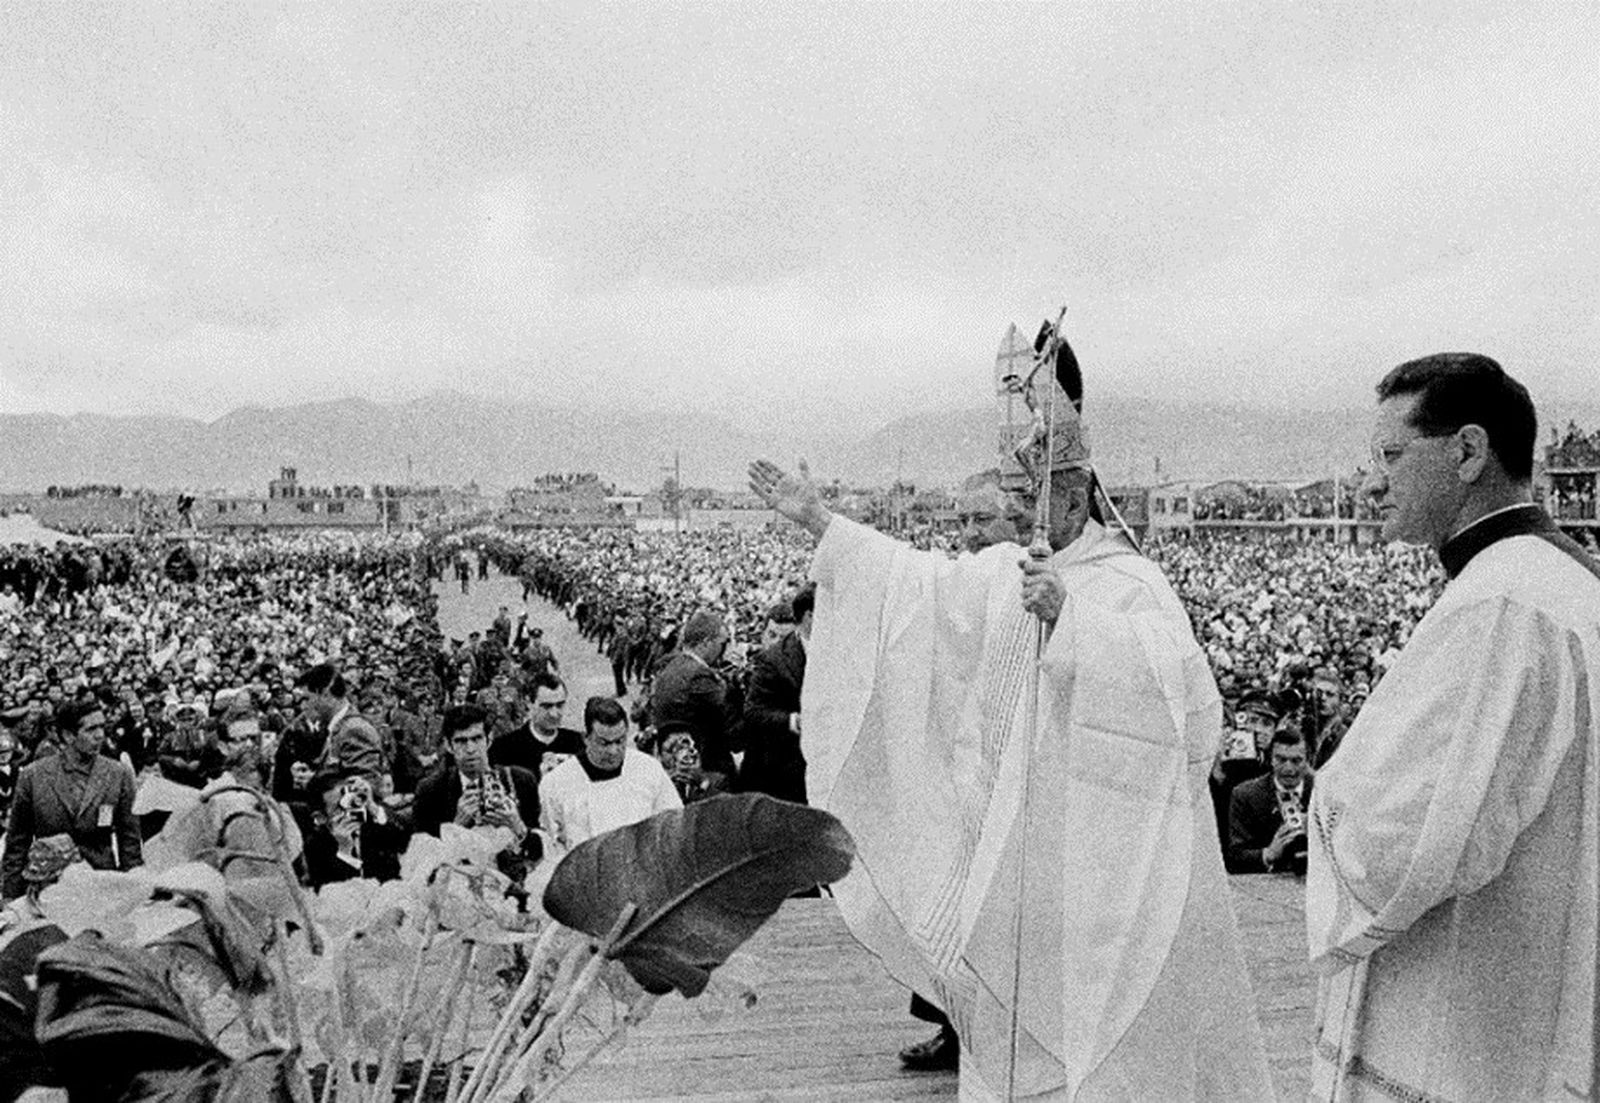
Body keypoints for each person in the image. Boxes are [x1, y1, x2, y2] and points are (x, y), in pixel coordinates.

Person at [747, 323, 1271, 1101]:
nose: (1023, 512)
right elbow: (915, 587)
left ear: (1073, 491)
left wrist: (1073, 622)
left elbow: (1191, 711)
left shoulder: (1129, 584)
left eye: (1032, 496)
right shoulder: (1004, 570)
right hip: (1015, 864)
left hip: (1105, 879)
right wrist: (825, 524)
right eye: (1015, 498)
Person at [1307, 353, 1600, 1101]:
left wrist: (1328, 800)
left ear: (1468, 451)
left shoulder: (1504, 602)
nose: (1374, 481)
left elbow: (1409, 831)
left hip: (1475, 1007)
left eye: (1393, 455)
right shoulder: (1561, 579)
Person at [2, 699, 142, 903]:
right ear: (68, 735)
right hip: (50, 890)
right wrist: (10, 896)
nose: (100, 735)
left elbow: (129, 841)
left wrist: (132, 889)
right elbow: (17, 843)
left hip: (101, 887)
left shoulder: (117, 774)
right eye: (91, 729)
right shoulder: (34, 776)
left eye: (102, 727)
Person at [413, 704, 542, 882]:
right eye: (461, 741)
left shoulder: (521, 781)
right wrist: (456, 828)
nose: (471, 749)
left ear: (489, 739)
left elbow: (541, 854)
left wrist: (517, 826)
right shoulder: (431, 791)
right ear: (448, 745)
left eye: (477, 739)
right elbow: (423, 866)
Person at [539, 696, 681, 852]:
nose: (613, 751)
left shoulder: (648, 769)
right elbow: (552, 845)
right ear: (586, 738)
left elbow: (673, 823)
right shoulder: (556, 783)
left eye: (620, 741)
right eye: (604, 743)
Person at [739, 583, 812, 804]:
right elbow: (752, 713)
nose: (777, 643)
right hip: (771, 773)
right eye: (772, 635)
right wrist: (793, 721)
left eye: (784, 637)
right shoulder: (768, 661)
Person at [648, 610, 741, 780]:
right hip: (706, 770)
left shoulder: (675, 665)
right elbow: (732, 722)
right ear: (706, 643)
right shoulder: (699, 675)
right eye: (723, 643)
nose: (725, 649)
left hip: (677, 760)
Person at [1225, 729, 1312, 875]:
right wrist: (1268, 854)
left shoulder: (1323, 792)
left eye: (1296, 761)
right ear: (1270, 759)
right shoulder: (1245, 795)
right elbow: (1234, 858)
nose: (1288, 768)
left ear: (1307, 760)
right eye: (1281, 760)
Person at [295, 662, 387, 791]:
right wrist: (312, 776)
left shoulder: (355, 729)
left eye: (308, 698)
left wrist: (313, 783)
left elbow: (363, 789)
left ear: (324, 694)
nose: (305, 706)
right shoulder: (340, 727)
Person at [489, 673, 585, 778]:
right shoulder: (504, 748)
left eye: (560, 705)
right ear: (528, 703)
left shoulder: (578, 744)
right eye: (546, 706)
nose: (554, 714)